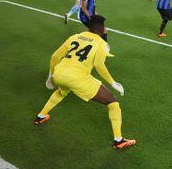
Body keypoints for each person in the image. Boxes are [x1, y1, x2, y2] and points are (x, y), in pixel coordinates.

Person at [34, 15, 136, 149]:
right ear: (101, 28)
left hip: (59, 73)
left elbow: (54, 56)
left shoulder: (74, 36)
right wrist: (113, 83)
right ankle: (119, 140)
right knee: (113, 102)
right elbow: (100, 66)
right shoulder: (101, 43)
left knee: (62, 91)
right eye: (104, 26)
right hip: (77, 78)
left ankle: (40, 116)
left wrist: (51, 75)